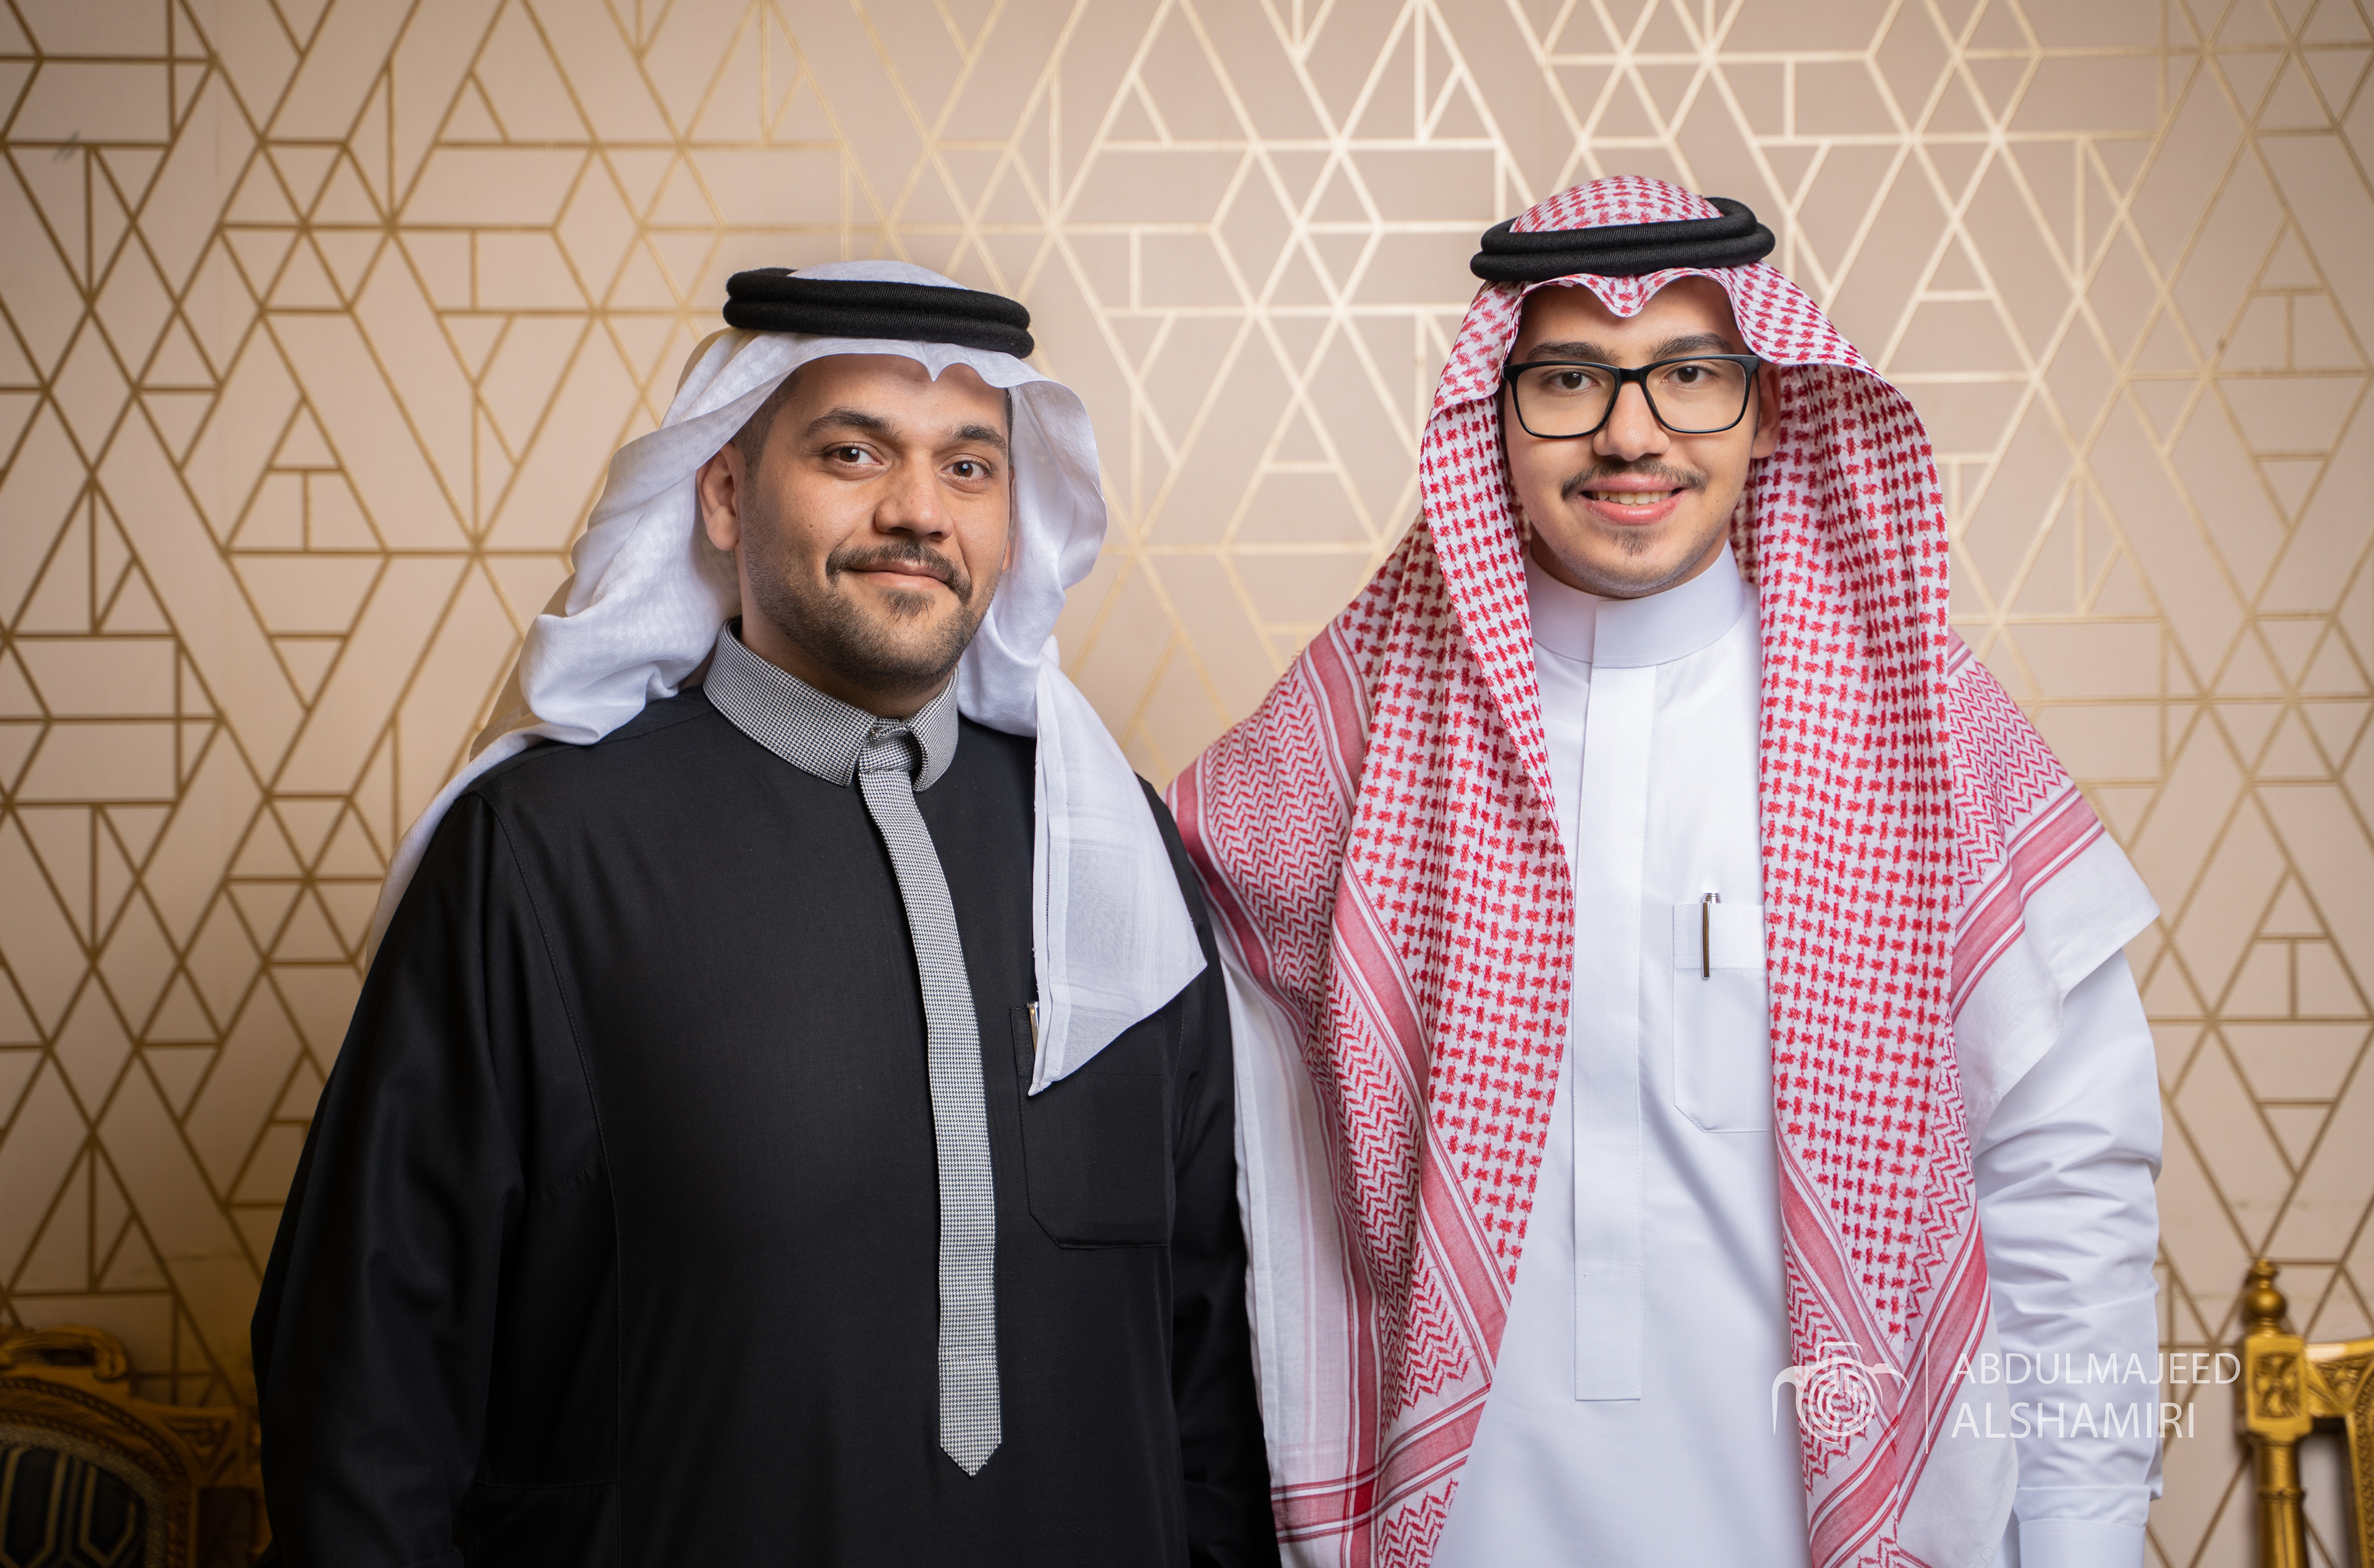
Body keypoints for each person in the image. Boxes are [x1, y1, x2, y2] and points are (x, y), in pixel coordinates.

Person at [1168, 178, 2162, 1568]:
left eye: (1690, 374)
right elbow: (1167, 1079)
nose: (1631, 433)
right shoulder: (1356, 743)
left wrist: (2085, 1543)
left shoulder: (1928, 743)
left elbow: (2069, 1188)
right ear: (1494, 418)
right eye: (1570, 379)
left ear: (1770, 405)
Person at [252, 263, 1279, 1567]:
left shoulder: (1114, 847)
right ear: (726, 494)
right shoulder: (541, 853)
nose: (919, 510)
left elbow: (1210, 1368)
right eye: (854, 452)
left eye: (969, 467)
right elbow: (364, 1393)